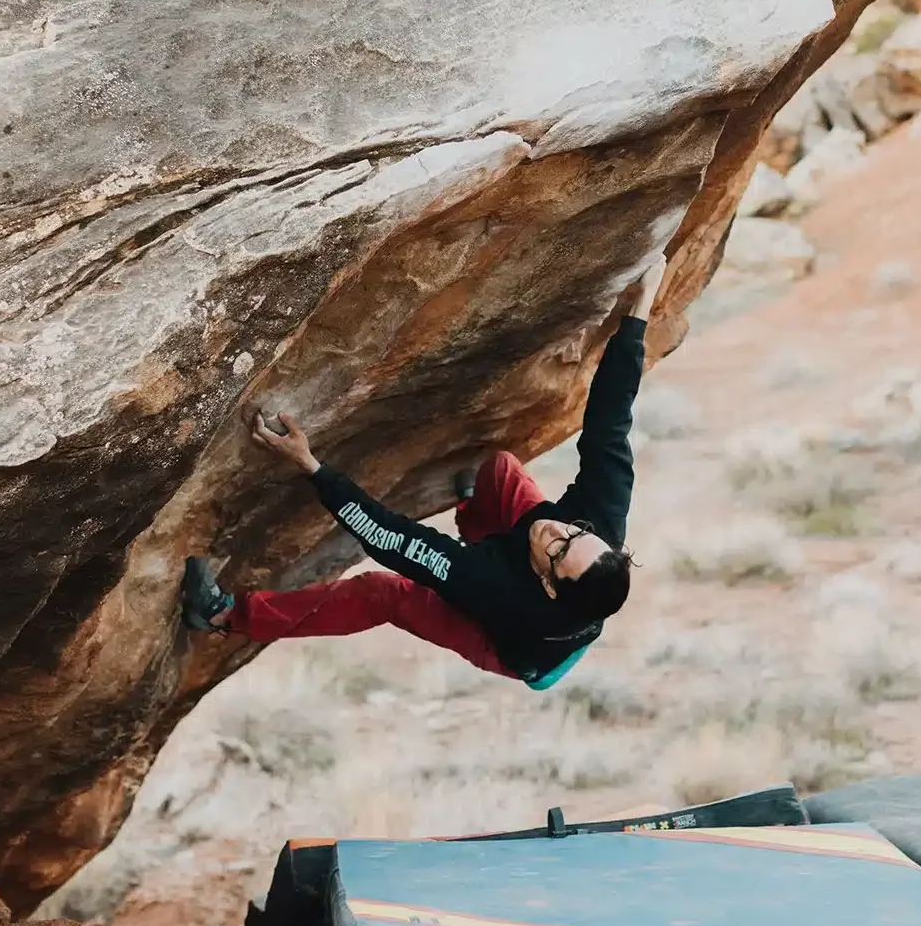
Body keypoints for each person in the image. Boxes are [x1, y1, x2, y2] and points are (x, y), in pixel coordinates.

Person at [181, 260, 664, 691]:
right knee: (500, 471)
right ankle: (473, 519)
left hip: (518, 649)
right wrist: (639, 310)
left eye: (559, 548)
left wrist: (311, 465)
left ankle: (225, 614)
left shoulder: (494, 589)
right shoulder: (597, 520)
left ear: (550, 583)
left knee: (382, 593)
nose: (559, 529)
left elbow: (389, 539)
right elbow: (610, 420)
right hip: (530, 578)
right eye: (575, 531)